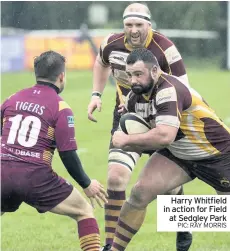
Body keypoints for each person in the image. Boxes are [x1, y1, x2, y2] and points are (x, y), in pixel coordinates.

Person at [87, 2, 192, 251]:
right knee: (115, 178)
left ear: (149, 25)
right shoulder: (112, 44)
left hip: (162, 120)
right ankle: (111, 245)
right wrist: (96, 94)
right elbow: (101, 62)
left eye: (138, 25)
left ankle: (182, 224)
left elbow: (184, 91)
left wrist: (163, 118)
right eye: (128, 25)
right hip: (127, 118)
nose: (133, 30)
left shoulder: (166, 49)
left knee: (169, 186)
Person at [110, 48, 230, 250]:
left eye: (139, 74)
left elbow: (165, 136)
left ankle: (186, 222)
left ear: (155, 71)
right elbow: (133, 124)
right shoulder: (135, 97)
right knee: (139, 193)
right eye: (130, 75)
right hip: (180, 154)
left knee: (223, 214)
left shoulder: (168, 89)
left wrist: (127, 140)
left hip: (218, 154)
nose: (133, 81)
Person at [1, 51, 108, 251]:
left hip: (3, 173)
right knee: (84, 211)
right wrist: (87, 184)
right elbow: (67, 153)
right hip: (36, 177)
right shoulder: (61, 107)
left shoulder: (11, 99)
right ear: (61, 76)